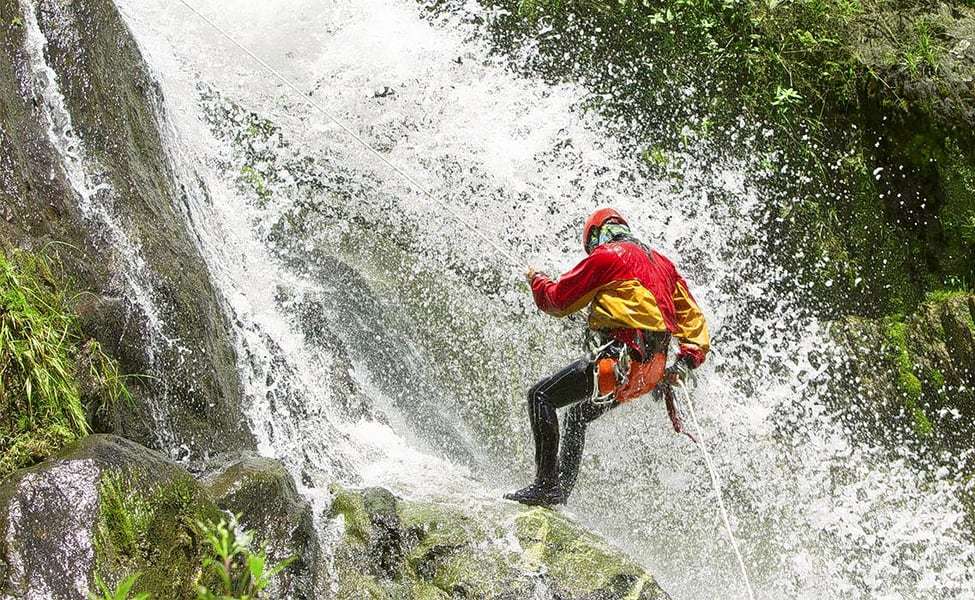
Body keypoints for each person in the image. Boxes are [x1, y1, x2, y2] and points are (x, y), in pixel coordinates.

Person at [504, 208, 710, 507]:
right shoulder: (664, 265)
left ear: (595, 236)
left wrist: (536, 280)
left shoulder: (607, 256)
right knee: (578, 415)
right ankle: (559, 492)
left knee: (540, 396)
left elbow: (559, 301)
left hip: (620, 362)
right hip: (650, 374)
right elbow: (695, 322)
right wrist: (685, 363)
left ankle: (546, 486)